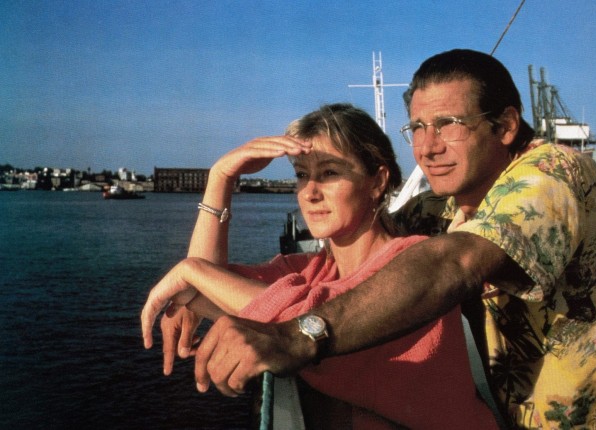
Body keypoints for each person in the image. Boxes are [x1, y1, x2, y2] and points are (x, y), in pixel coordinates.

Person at [168, 49, 596, 429]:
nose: (427, 147)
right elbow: (366, 245)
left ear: (506, 126)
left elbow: (451, 263)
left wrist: (296, 335)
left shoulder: (553, 170)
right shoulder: (437, 210)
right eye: (416, 127)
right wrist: (219, 183)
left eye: (449, 123)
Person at [141, 103, 498, 429]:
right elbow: (208, 287)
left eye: (328, 173)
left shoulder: (413, 263)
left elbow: (309, 321)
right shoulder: (310, 270)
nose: (309, 192)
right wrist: (221, 179)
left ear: (377, 182)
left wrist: (191, 270)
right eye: (301, 175)